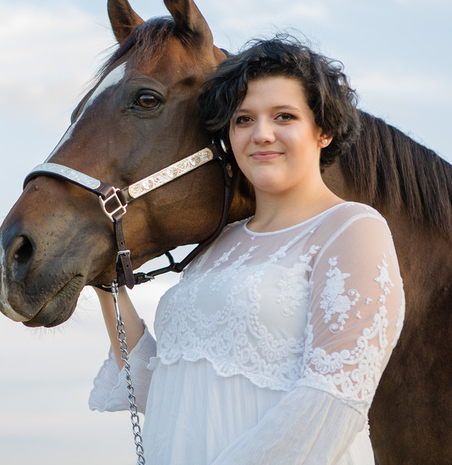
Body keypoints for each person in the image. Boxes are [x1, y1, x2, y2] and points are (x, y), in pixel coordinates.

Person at [88, 34, 405, 464]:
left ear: (323, 130)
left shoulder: (351, 230)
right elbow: (161, 389)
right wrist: (105, 280)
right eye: (243, 120)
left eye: (284, 116)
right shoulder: (218, 245)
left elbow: (331, 401)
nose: (261, 134)